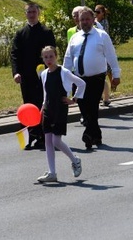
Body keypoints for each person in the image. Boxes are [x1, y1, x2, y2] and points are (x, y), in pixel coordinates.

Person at [64, 7, 122, 149]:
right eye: (82, 19)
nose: (84, 22)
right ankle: (95, 135)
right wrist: (64, 78)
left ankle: (88, 135)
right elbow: (68, 59)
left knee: (92, 107)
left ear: (93, 20)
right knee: (84, 108)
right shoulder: (74, 38)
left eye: (87, 19)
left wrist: (116, 74)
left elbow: (111, 56)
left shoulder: (102, 36)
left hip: (96, 78)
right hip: (78, 79)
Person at [11, 3, 56, 150]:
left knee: (42, 106)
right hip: (26, 77)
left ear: (38, 13)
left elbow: (52, 54)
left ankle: (43, 137)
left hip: (43, 77)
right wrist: (16, 72)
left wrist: (49, 69)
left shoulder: (46, 32)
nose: (31, 14)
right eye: (29, 12)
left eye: (34, 12)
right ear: (25, 14)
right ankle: (29, 137)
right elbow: (15, 55)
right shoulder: (20, 34)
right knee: (28, 106)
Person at [36, 45, 85, 183]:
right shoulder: (44, 74)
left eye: (51, 56)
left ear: (56, 56)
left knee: (56, 141)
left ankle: (75, 160)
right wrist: (42, 108)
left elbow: (81, 83)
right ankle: (52, 173)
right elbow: (46, 94)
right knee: (48, 141)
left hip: (60, 109)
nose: (48, 59)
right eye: (45, 57)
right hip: (48, 110)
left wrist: (73, 99)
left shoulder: (64, 72)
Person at [94, 5, 113, 106]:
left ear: (102, 13)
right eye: (95, 11)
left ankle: (106, 98)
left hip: (103, 51)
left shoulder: (104, 23)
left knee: (102, 76)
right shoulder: (95, 22)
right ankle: (104, 96)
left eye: (98, 12)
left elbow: (102, 34)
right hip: (97, 51)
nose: (96, 14)